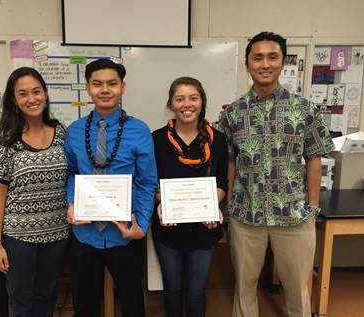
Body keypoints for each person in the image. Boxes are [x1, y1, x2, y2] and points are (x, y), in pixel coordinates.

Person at [218, 31, 335, 317]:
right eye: (257, 58)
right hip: (246, 215)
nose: (265, 64)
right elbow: (229, 163)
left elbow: (314, 159)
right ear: (247, 64)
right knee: (244, 287)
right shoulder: (233, 114)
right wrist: (231, 205)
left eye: (273, 57)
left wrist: (312, 207)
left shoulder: (305, 109)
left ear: (283, 62)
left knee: (296, 287)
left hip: (295, 215)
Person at [64, 58, 157, 317]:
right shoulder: (74, 131)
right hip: (84, 233)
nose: (105, 90)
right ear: (89, 88)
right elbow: (71, 173)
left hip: (125, 232)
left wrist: (142, 225)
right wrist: (72, 202)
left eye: (112, 84)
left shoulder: (139, 130)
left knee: (132, 302)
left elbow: (147, 181)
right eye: (97, 84)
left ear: (122, 87)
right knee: (84, 304)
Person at [0, 67, 70, 317]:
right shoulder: (7, 138)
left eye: (36, 91)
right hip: (19, 237)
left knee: (46, 295)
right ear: (14, 100)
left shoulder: (61, 132)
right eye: (23, 93)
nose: (31, 98)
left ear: (45, 94)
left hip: (57, 233)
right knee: (21, 299)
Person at [152, 77, 228, 317]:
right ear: (171, 104)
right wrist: (161, 202)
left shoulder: (218, 140)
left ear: (202, 101)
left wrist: (213, 205)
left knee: (196, 291)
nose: (187, 104)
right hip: (168, 227)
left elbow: (222, 182)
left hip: (204, 228)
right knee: (172, 289)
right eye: (180, 98)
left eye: (193, 98)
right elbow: (151, 182)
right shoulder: (157, 140)